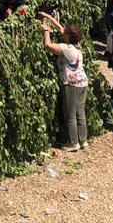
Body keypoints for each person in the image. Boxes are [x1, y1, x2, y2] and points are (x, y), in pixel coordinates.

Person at [39, 12, 89, 151]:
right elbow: (61, 28)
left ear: (69, 36)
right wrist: (48, 17)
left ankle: (73, 143)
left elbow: (48, 45)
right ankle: (83, 140)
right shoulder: (76, 45)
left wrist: (46, 30)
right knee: (80, 112)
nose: (62, 33)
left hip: (72, 84)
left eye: (65, 33)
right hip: (83, 82)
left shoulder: (66, 49)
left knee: (70, 114)